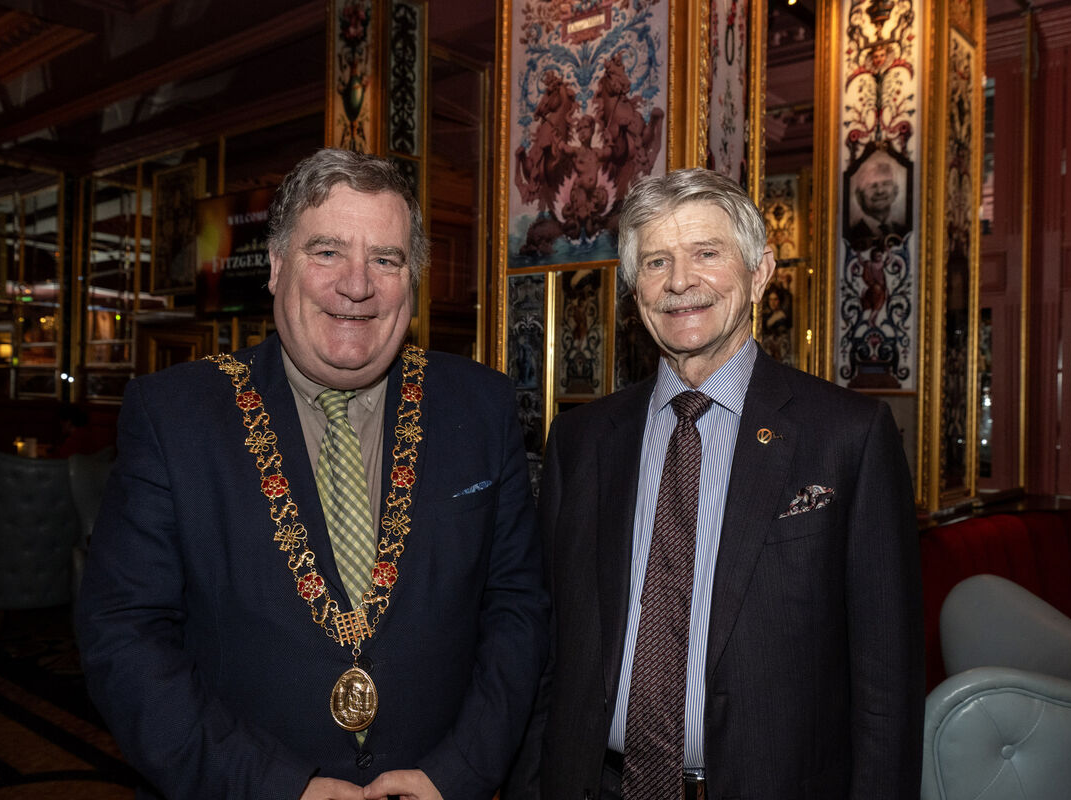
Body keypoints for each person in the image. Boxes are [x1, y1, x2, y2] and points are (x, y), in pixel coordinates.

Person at [76, 149, 549, 800]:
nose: (356, 285)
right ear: (275, 268)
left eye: (385, 259)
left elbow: (518, 611)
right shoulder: (175, 416)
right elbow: (124, 640)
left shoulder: (482, 406)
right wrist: (276, 787)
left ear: (412, 279)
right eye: (326, 252)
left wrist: (459, 773)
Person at [506, 167, 923, 799]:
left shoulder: (849, 438)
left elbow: (886, 683)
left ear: (760, 272)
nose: (680, 282)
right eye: (655, 263)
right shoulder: (580, 443)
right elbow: (548, 653)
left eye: (707, 253)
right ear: (633, 288)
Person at [847, 155, 908, 253]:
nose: (880, 191)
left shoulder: (903, 230)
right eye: (872, 186)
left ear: (895, 191)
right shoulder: (852, 234)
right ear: (859, 195)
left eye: (886, 184)